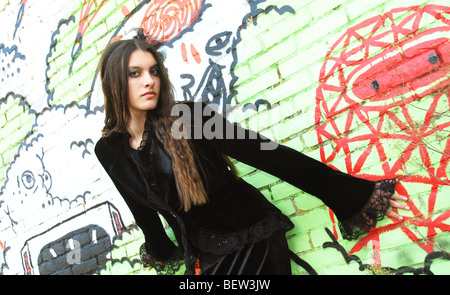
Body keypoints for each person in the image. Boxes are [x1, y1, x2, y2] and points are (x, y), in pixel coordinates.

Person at [94, 31, 410, 275]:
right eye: (135, 73)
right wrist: (160, 251)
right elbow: (142, 210)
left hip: (250, 237)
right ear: (114, 82)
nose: (149, 81)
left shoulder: (188, 117)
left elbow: (268, 154)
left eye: (153, 71)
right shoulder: (110, 151)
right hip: (206, 253)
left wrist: (351, 194)